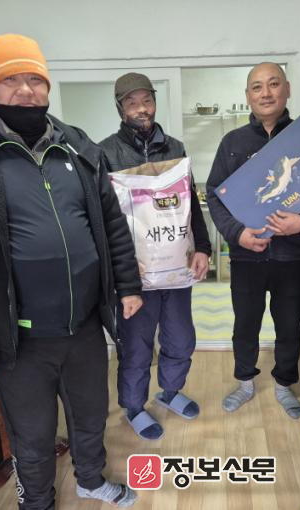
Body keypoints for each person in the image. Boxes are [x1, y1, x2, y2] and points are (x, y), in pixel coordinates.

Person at [0, 34, 142, 509]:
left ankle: (90, 479)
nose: (26, 90)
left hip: (84, 326)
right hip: (18, 338)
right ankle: (35, 501)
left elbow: (111, 224)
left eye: (35, 79)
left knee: (90, 415)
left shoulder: (76, 145)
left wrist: (127, 284)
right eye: (10, 79)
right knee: (33, 434)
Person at [206, 62, 300, 418]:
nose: (266, 93)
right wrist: (237, 233)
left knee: (288, 325)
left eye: (273, 84)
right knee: (245, 325)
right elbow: (215, 195)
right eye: (257, 87)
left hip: (291, 258)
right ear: (248, 95)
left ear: (287, 89)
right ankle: (245, 382)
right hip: (246, 257)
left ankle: (284, 384)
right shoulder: (233, 143)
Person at [100, 72, 212, 440]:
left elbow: (190, 205)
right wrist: (117, 268)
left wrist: (203, 247)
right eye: (132, 103)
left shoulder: (176, 148)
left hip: (176, 269)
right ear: (121, 109)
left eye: (146, 100)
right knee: (136, 346)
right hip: (135, 276)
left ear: (154, 102)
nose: (141, 109)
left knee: (180, 338)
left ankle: (170, 391)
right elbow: (102, 217)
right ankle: (134, 406)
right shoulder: (105, 153)